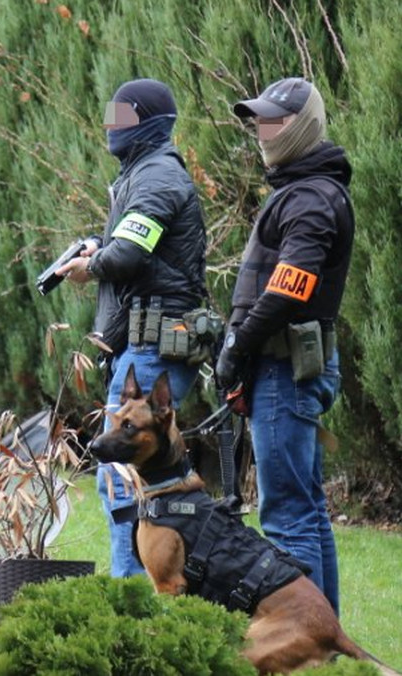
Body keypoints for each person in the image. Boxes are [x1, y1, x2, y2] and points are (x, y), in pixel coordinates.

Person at [57, 79, 208, 577]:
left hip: (154, 347)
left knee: (120, 478)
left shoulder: (159, 175)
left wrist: (91, 265)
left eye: (120, 117)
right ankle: (151, 588)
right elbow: (128, 246)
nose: (110, 127)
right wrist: (96, 251)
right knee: (130, 480)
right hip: (141, 345)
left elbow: (128, 252)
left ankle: (129, 599)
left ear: (147, 123)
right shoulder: (142, 173)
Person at [216, 77, 353, 615]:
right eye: (259, 121)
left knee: (288, 517)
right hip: (290, 367)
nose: (262, 132)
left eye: (274, 121)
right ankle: (327, 649)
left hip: (284, 370)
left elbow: (292, 285)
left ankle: (304, 648)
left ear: (304, 126)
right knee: (309, 510)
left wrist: (237, 348)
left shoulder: (312, 198)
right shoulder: (303, 190)